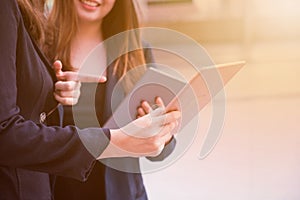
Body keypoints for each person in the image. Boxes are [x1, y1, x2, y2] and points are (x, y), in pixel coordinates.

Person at [0, 0, 180, 199]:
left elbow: (163, 150)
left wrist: (160, 129)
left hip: (123, 194)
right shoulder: (41, 44)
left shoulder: (135, 52)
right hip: (60, 191)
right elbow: (24, 124)